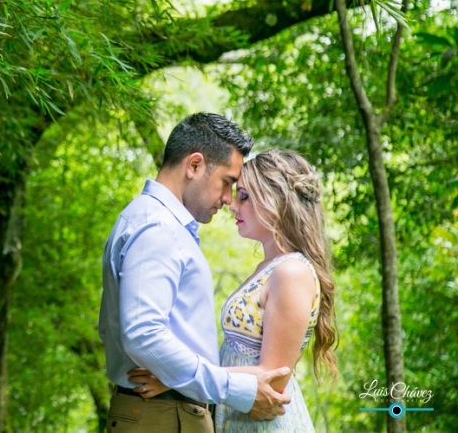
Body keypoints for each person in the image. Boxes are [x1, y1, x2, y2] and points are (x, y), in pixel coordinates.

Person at [99, 113, 291, 432]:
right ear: (194, 166)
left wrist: (174, 375)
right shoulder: (157, 229)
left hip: (165, 411)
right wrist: (232, 388)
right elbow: (143, 333)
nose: (228, 200)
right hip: (160, 417)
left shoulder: (159, 225)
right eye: (227, 183)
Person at [128, 149, 338, 432]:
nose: (232, 205)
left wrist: (174, 379)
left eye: (245, 196)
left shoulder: (292, 272)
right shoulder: (269, 267)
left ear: (276, 199)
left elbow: (274, 377)